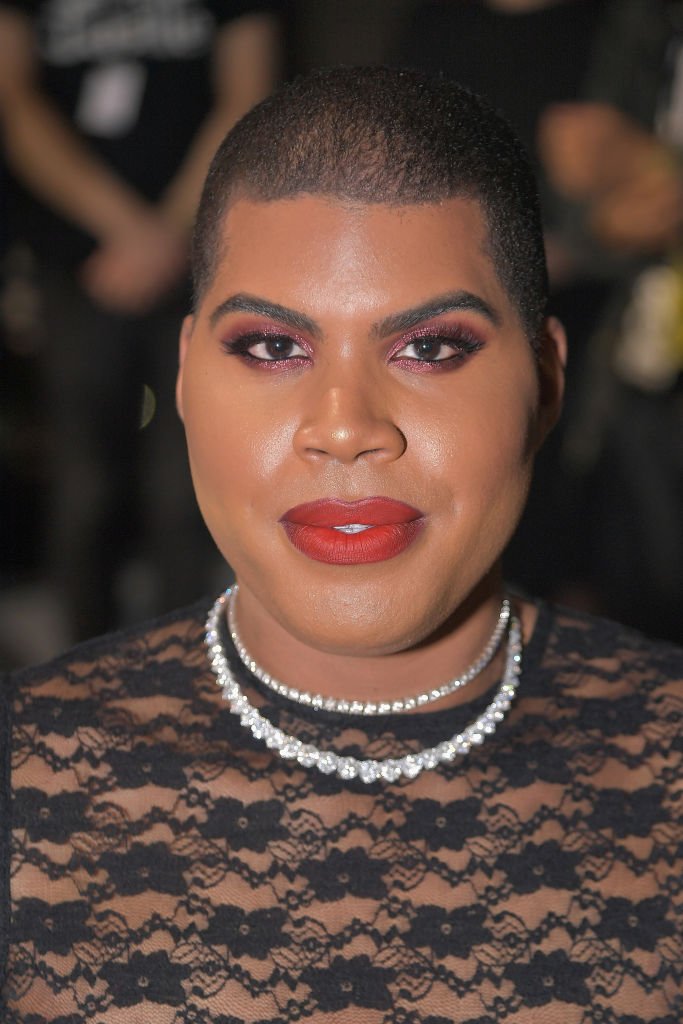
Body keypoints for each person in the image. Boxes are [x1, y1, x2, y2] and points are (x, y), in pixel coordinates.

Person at [1, 67, 682, 1022]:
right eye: (273, 347)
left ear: (545, 383)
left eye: (432, 347)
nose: (345, 425)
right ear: (188, 378)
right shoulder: (24, 784)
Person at [0, 1, 281, 643]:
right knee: (84, 485)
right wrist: (126, 229)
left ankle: (181, 662)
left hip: (207, 254)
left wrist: (171, 231)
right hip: (76, 259)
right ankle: (81, 666)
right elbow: (14, 101)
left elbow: (249, 92)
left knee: (187, 481)